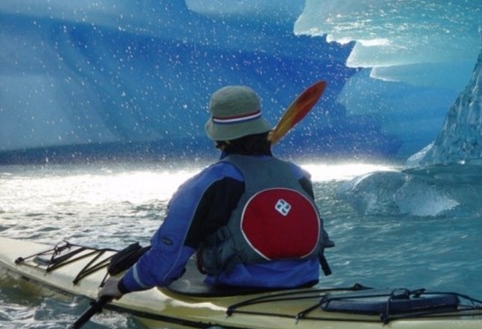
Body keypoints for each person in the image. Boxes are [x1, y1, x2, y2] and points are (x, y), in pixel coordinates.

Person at [98, 85, 331, 300]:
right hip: (304, 283)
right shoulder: (298, 175)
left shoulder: (210, 182)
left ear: (219, 137)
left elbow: (168, 259)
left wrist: (121, 286)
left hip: (239, 289)